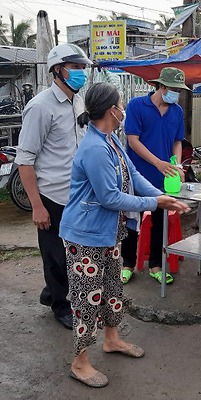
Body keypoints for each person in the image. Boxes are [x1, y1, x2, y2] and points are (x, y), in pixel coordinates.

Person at [59, 82, 190, 388]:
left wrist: (162, 197)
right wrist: (154, 203)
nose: (124, 109)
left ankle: (112, 340)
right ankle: (80, 362)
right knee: (86, 300)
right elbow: (110, 198)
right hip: (85, 236)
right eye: (120, 104)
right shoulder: (93, 148)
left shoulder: (111, 140)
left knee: (112, 292)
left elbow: (134, 175)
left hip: (108, 233)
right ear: (111, 111)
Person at [15, 43, 92, 330]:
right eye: (75, 68)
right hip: (51, 196)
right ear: (57, 70)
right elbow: (24, 160)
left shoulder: (79, 102)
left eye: (82, 68)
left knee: (75, 254)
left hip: (78, 195)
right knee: (56, 257)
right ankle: (61, 306)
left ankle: (51, 292)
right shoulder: (40, 107)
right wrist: (36, 206)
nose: (80, 73)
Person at [120, 67, 191, 285]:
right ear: (160, 86)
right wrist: (157, 163)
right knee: (132, 221)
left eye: (180, 90)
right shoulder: (136, 106)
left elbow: (178, 141)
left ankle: (156, 266)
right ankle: (127, 264)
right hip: (137, 175)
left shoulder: (177, 111)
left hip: (164, 178)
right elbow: (133, 140)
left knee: (161, 222)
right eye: (173, 89)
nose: (177, 93)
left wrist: (177, 165)